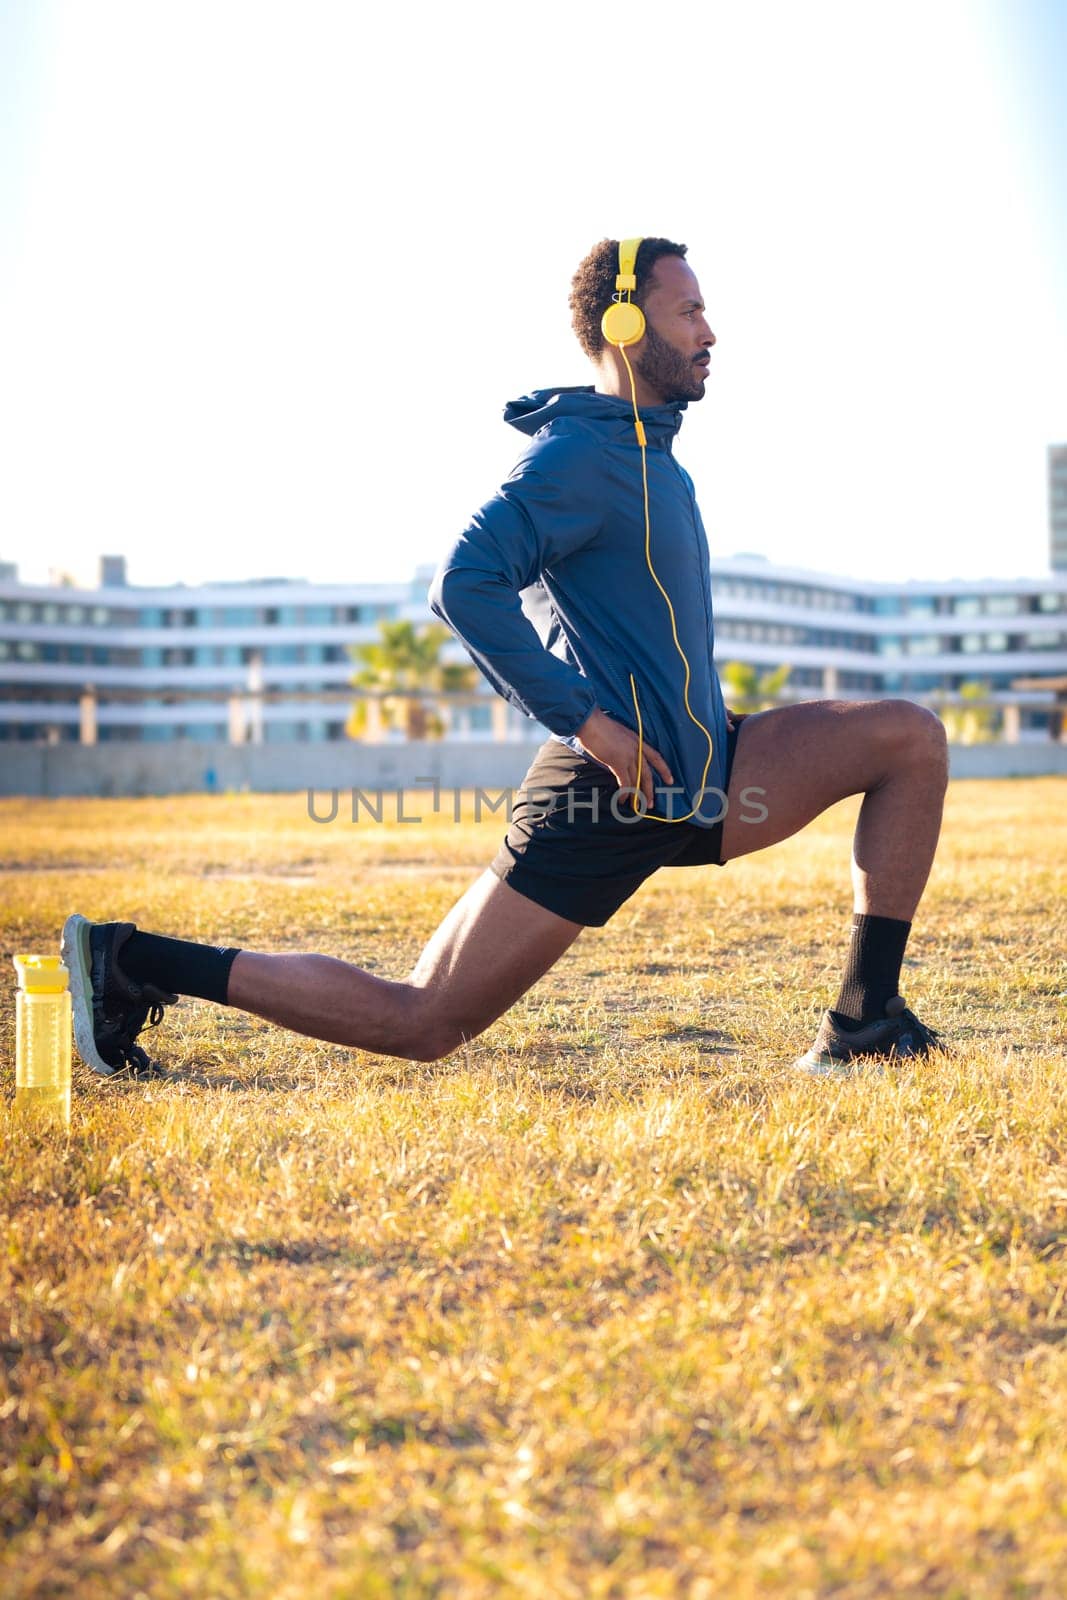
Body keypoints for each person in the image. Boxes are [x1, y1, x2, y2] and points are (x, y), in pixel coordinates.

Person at [63, 236, 948, 1081]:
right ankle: (131, 960)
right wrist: (589, 725)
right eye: (689, 313)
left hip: (703, 773)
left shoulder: (653, 458)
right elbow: (464, 583)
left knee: (905, 738)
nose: (710, 334)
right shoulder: (575, 459)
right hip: (609, 787)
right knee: (421, 1021)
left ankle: (863, 1017)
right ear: (624, 326)